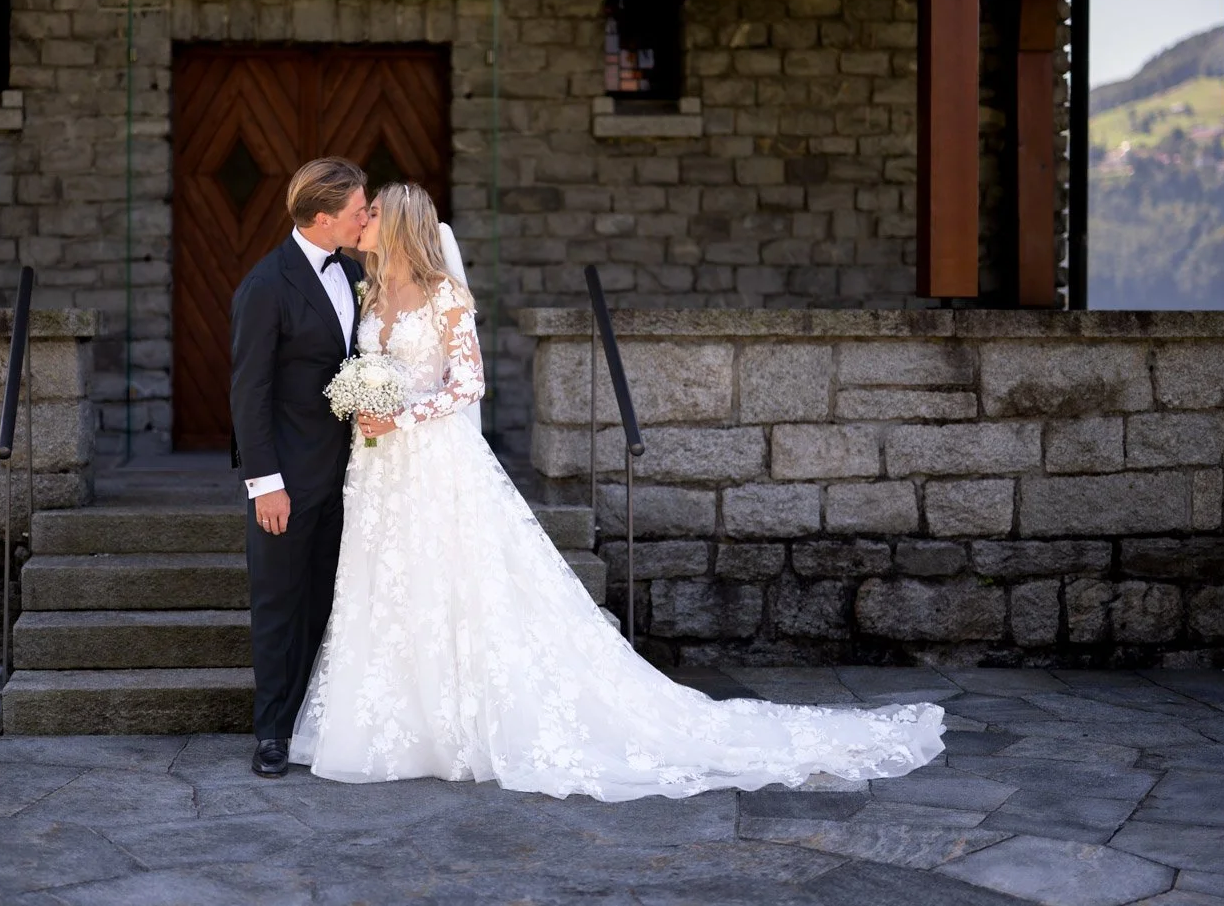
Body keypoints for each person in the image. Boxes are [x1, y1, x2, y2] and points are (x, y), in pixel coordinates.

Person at [287, 181, 946, 801]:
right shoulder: (370, 293)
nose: (362, 217)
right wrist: (364, 400)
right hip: (380, 470)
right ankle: (400, 725)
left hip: (433, 457)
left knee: (454, 583)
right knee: (393, 582)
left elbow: (469, 385)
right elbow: (370, 366)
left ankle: (461, 723)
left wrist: (397, 413)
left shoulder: (446, 297)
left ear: (398, 224)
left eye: (372, 212)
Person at [229, 157, 370, 779]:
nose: (367, 219)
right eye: (359, 211)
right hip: (288, 480)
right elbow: (248, 394)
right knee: (280, 604)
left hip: (353, 477)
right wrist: (266, 485)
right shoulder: (266, 285)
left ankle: (318, 720)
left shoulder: (357, 273)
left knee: (326, 605)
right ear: (322, 217)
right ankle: (273, 733)